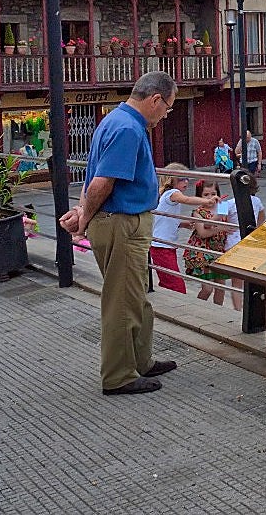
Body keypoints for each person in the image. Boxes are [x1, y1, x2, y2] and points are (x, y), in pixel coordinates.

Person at [59, 71, 180, 396]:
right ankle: (119, 375)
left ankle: (141, 360)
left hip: (119, 221)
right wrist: (84, 221)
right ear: (155, 99)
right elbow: (101, 183)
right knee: (121, 302)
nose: (165, 115)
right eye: (167, 107)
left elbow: (93, 178)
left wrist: (84, 213)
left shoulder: (113, 120)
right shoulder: (129, 129)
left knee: (136, 297)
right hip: (123, 224)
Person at [150, 164, 214, 296]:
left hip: (164, 246)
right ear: (171, 179)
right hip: (162, 247)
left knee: (167, 281)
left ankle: (167, 302)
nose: (185, 182)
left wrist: (183, 223)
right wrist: (206, 202)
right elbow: (187, 199)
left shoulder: (166, 196)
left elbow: (165, 220)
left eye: (187, 179)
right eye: (181, 179)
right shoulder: (172, 193)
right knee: (177, 285)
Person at [183, 180, 230, 306]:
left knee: (221, 288)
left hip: (219, 251)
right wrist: (220, 227)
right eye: (206, 195)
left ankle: (218, 312)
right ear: (199, 197)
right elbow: (203, 233)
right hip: (202, 252)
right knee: (207, 288)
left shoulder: (223, 206)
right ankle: (197, 308)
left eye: (213, 193)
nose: (210, 198)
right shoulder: (197, 212)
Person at [226, 172, 263, 311]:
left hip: (232, 244)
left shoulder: (228, 203)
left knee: (237, 282)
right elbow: (261, 219)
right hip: (251, 242)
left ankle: (238, 309)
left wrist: (224, 228)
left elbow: (216, 218)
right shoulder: (257, 201)